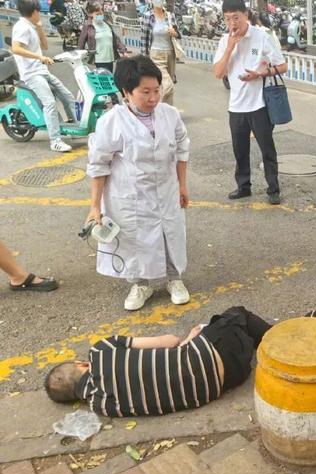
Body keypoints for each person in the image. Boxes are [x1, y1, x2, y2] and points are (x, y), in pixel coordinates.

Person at [85, 55, 191, 311]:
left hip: (165, 190)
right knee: (134, 238)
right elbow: (99, 164)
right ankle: (140, 283)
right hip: (130, 195)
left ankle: (174, 279)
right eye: (145, 92)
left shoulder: (170, 115)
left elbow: (181, 148)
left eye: (157, 90)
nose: (153, 98)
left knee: (170, 235)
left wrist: (182, 185)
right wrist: (94, 206)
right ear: (126, 92)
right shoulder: (112, 121)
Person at [43, 306, 271, 415]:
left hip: (229, 380)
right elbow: (169, 341)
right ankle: (288, 340)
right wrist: (191, 339)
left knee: (237, 333)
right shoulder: (100, 351)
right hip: (218, 351)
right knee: (237, 314)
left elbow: (158, 384)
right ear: (81, 365)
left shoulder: (102, 407)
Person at [213, 0, 288, 205]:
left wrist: (261, 74)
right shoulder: (224, 41)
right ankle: (243, 186)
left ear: (246, 15)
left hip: (259, 105)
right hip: (236, 107)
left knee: (267, 149)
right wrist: (229, 48)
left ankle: (273, 188)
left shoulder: (261, 36)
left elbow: (282, 66)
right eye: (228, 19)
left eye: (236, 17)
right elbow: (218, 73)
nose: (232, 23)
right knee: (240, 150)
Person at [11, 0, 76, 152]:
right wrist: (39, 58)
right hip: (32, 74)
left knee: (67, 96)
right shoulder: (22, 27)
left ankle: (74, 128)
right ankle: (55, 140)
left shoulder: (32, 26)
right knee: (50, 103)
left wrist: (39, 28)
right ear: (33, 12)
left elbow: (45, 46)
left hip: (42, 71)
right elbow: (15, 48)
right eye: (38, 11)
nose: (40, 14)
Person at [140, 0, 180, 105]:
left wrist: (175, 33)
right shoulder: (148, 16)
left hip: (170, 53)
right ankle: (156, 108)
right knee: (168, 85)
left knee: (166, 86)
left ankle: (168, 112)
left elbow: (178, 34)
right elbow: (144, 38)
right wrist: (144, 61)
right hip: (156, 54)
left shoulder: (170, 15)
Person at [78, 1, 127, 72]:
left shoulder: (107, 24)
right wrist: (78, 57)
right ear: (91, 14)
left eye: (101, 13)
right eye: (97, 14)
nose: (100, 15)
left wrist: (123, 50)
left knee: (109, 77)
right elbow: (81, 43)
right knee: (105, 79)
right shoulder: (88, 26)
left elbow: (116, 39)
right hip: (99, 59)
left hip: (110, 58)